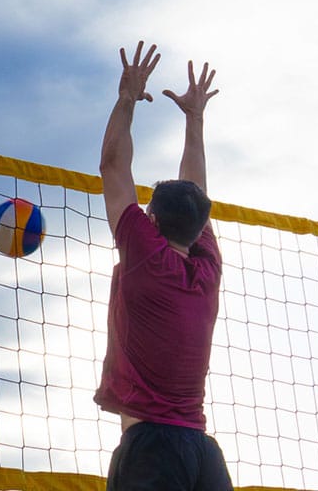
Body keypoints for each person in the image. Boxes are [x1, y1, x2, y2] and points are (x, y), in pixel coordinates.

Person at [95, 41, 234, 491]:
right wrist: (195, 120)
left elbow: (113, 165)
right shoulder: (207, 269)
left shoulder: (145, 256)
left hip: (152, 450)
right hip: (200, 452)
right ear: (199, 229)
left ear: (151, 220)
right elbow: (197, 189)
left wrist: (127, 98)